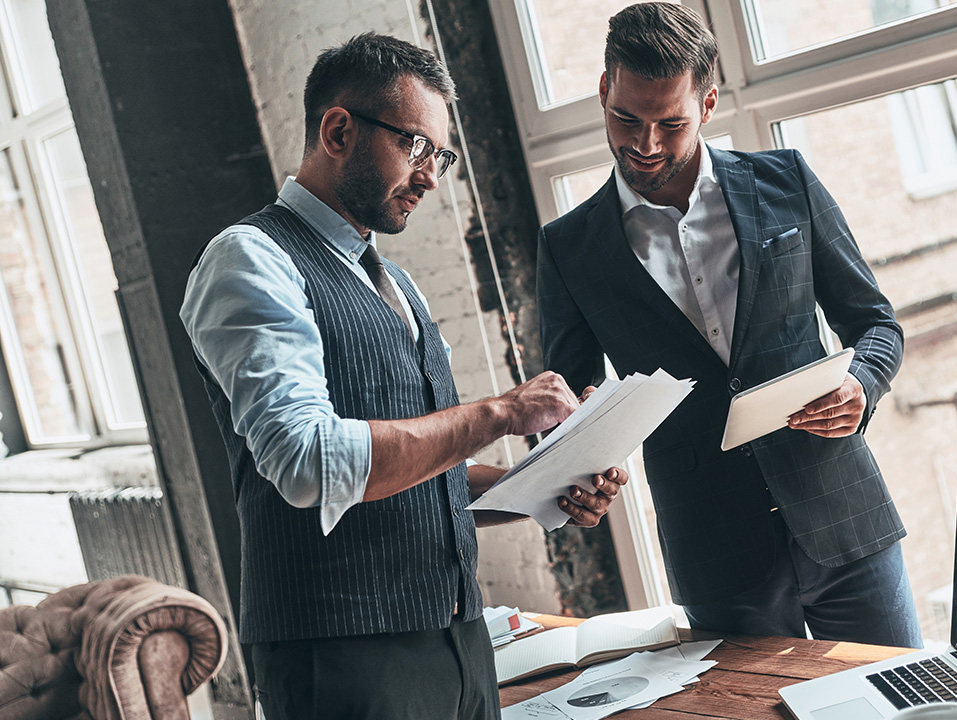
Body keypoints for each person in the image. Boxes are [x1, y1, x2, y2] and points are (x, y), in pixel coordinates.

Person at [182, 33, 626, 720]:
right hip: (341, 654)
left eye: (440, 157)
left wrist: (545, 488)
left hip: (457, 638)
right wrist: (501, 413)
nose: (429, 176)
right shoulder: (249, 258)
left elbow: (426, 473)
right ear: (337, 130)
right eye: (416, 147)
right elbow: (307, 461)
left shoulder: (399, 285)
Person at [537, 3, 920, 648]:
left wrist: (862, 381)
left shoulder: (788, 181)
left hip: (843, 515)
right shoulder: (569, 248)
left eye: (670, 123)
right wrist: (576, 479)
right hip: (715, 552)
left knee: (897, 703)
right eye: (626, 118)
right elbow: (566, 411)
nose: (645, 144)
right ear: (604, 89)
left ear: (708, 104)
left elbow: (876, 323)